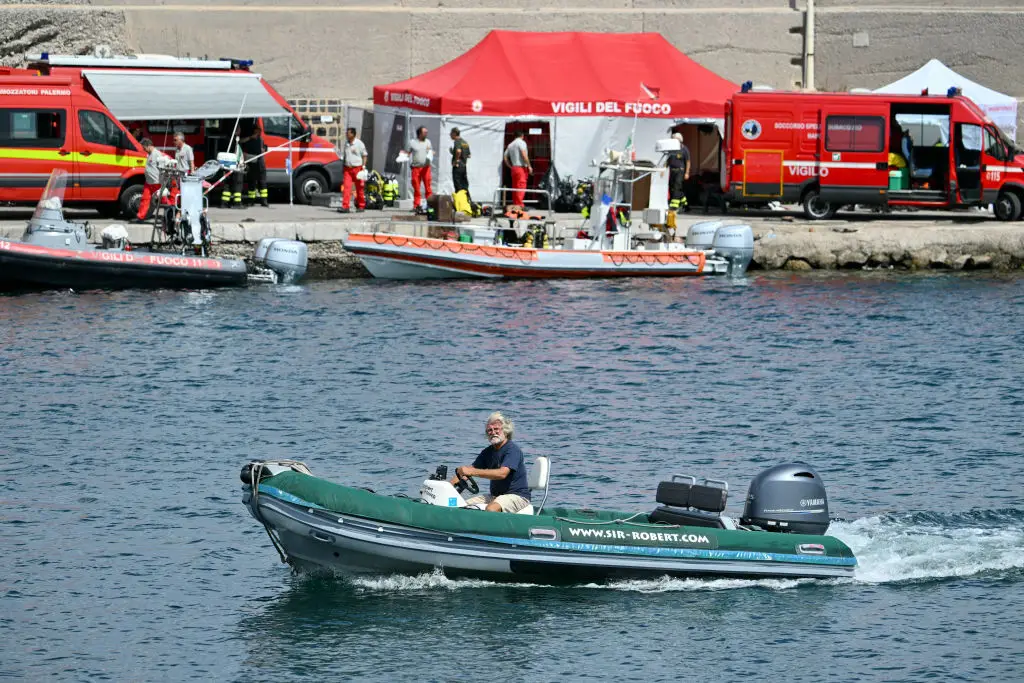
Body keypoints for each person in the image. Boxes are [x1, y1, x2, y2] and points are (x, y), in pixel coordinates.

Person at [450, 411, 531, 513]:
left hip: (517, 496)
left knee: (491, 509)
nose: (493, 432)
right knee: (462, 506)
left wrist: (471, 472)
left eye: (496, 429)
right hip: (495, 496)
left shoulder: (512, 450)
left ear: (505, 431)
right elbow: (466, 473)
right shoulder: (487, 452)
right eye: (489, 430)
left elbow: (502, 473)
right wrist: (446, 488)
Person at [134, 138, 170, 223]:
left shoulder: (157, 154)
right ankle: (140, 217)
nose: (143, 149)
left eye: (144, 147)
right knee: (145, 199)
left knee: (164, 201)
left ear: (149, 146)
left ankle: (169, 214)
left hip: (157, 183)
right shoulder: (149, 154)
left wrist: (163, 181)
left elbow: (164, 168)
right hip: (149, 182)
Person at [240, 118, 269, 207]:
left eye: (259, 131)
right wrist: (250, 138)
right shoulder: (248, 138)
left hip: (260, 161)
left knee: (262, 182)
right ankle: (251, 200)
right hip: (251, 161)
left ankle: (264, 201)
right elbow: (241, 142)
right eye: (257, 131)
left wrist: (263, 149)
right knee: (251, 182)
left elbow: (263, 148)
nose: (259, 133)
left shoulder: (260, 139)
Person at [340, 127, 368, 213]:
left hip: (357, 168)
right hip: (347, 169)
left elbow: (364, 155)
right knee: (347, 188)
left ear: (353, 134)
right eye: (346, 133)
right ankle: (345, 207)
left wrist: (363, 166)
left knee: (359, 188)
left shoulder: (359, 144)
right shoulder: (346, 144)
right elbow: (345, 156)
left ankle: (361, 206)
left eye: (348, 133)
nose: (346, 135)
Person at [406, 126, 433, 212]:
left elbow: (431, 152)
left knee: (428, 187)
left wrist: (432, 153)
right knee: (416, 187)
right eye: (424, 132)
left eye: (427, 132)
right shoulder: (412, 142)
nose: (426, 134)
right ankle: (416, 205)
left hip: (426, 168)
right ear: (419, 134)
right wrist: (403, 156)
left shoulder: (428, 142)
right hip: (416, 168)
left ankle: (429, 205)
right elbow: (407, 152)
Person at [504, 131, 531, 207]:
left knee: (515, 187)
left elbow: (505, 158)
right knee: (521, 186)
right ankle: (519, 205)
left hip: (514, 168)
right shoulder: (521, 143)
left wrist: (510, 166)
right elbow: (524, 154)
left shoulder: (510, 145)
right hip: (521, 168)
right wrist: (529, 166)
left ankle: (516, 204)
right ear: (522, 136)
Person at [667, 132, 691, 213]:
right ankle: (686, 205)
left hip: (680, 171)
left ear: (679, 140)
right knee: (673, 187)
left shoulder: (684, 149)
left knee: (677, 187)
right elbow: (667, 159)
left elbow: (688, 161)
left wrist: (687, 173)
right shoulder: (671, 149)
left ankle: (674, 206)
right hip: (672, 171)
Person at [450, 128, 471, 197]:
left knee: (458, 185)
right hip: (464, 166)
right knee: (464, 185)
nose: (450, 135)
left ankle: (460, 202)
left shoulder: (457, 141)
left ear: (454, 133)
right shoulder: (464, 142)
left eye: (451, 133)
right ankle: (467, 200)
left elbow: (459, 151)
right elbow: (469, 155)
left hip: (458, 166)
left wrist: (456, 161)